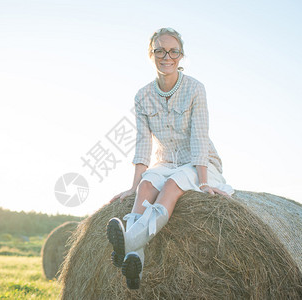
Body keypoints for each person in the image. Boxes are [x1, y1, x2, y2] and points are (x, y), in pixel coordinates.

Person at [106, 27, 234, 290]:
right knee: (146, 186)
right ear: (151, 54)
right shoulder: (142, 96)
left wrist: (204, 181)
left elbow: (199, 136)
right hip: (164, 160)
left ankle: (129, 243)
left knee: (173, 185)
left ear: (181, 55)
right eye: (160, 50)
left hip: (199, 160)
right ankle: (135, 263)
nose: (167, 56)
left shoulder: (196, 89)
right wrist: (133, 185)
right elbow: (143, 143)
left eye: (174, 51)